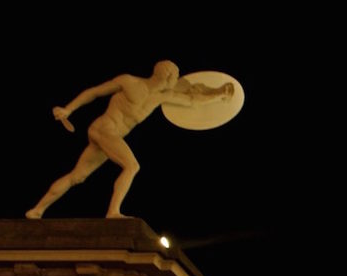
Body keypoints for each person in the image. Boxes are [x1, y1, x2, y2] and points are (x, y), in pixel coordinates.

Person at [26, 60, 234, 219]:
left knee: (77, 177)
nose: (178, 81)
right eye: (176, 76)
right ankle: (113, 212)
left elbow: (192, 100)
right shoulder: (129, 81)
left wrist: (219, 95)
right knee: (132, 166)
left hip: (110, 135)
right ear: (168, 75)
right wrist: (68, 109)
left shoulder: (160, 96)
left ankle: (37, 210)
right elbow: (95, 92)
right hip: (105, 128)